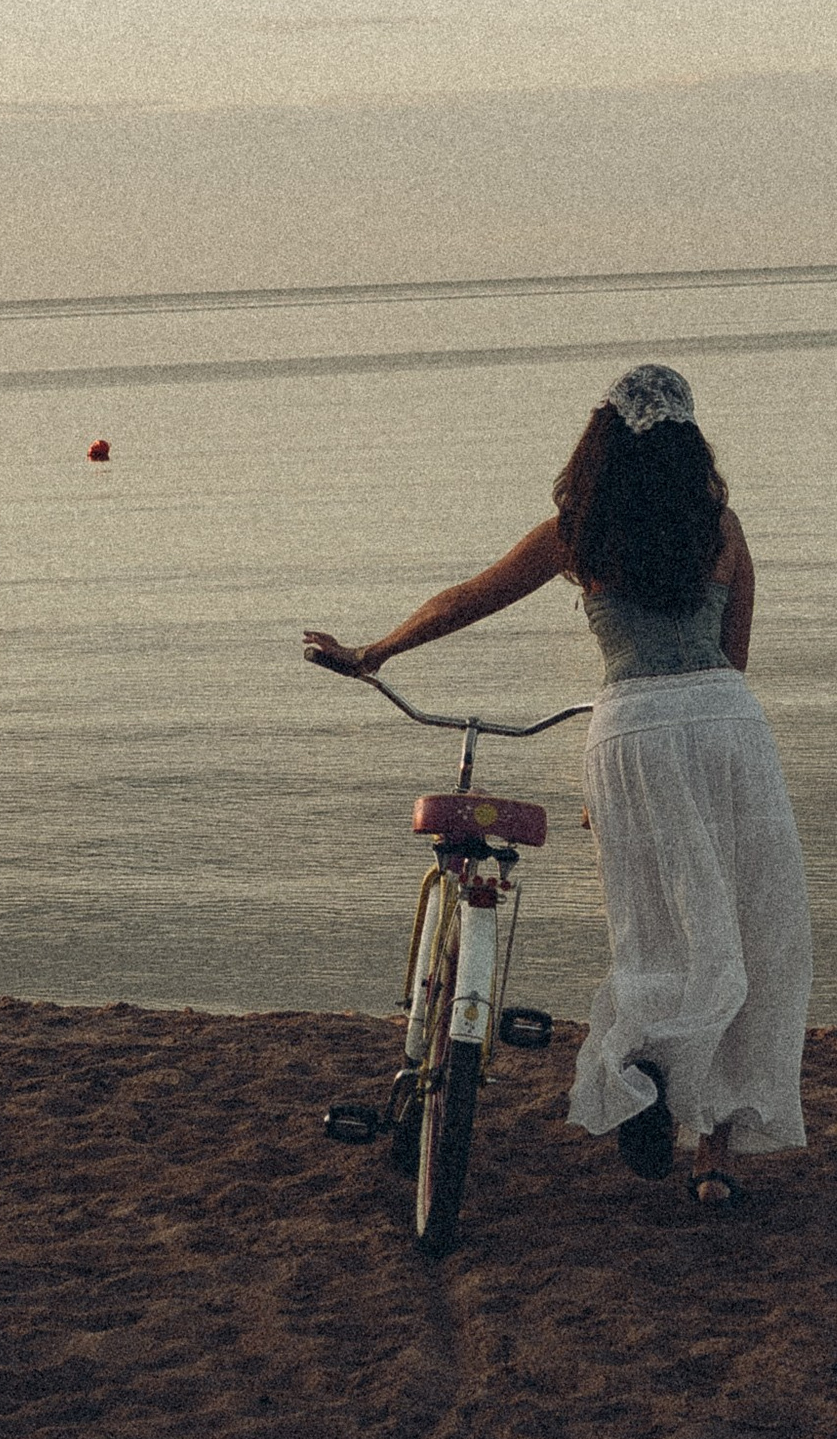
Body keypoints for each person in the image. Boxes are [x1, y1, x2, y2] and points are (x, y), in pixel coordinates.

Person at [301, 364, 810, 1204]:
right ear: (690, 442)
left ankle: (643, 1072)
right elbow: (733, 656)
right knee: (748, 928)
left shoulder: (579, 533)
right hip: (728, 727)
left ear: (600, 444)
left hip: (632, 737)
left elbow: (468, 600)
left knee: (653, 929)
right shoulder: (722, 530)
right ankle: (713, 1155)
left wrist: (373, 653)